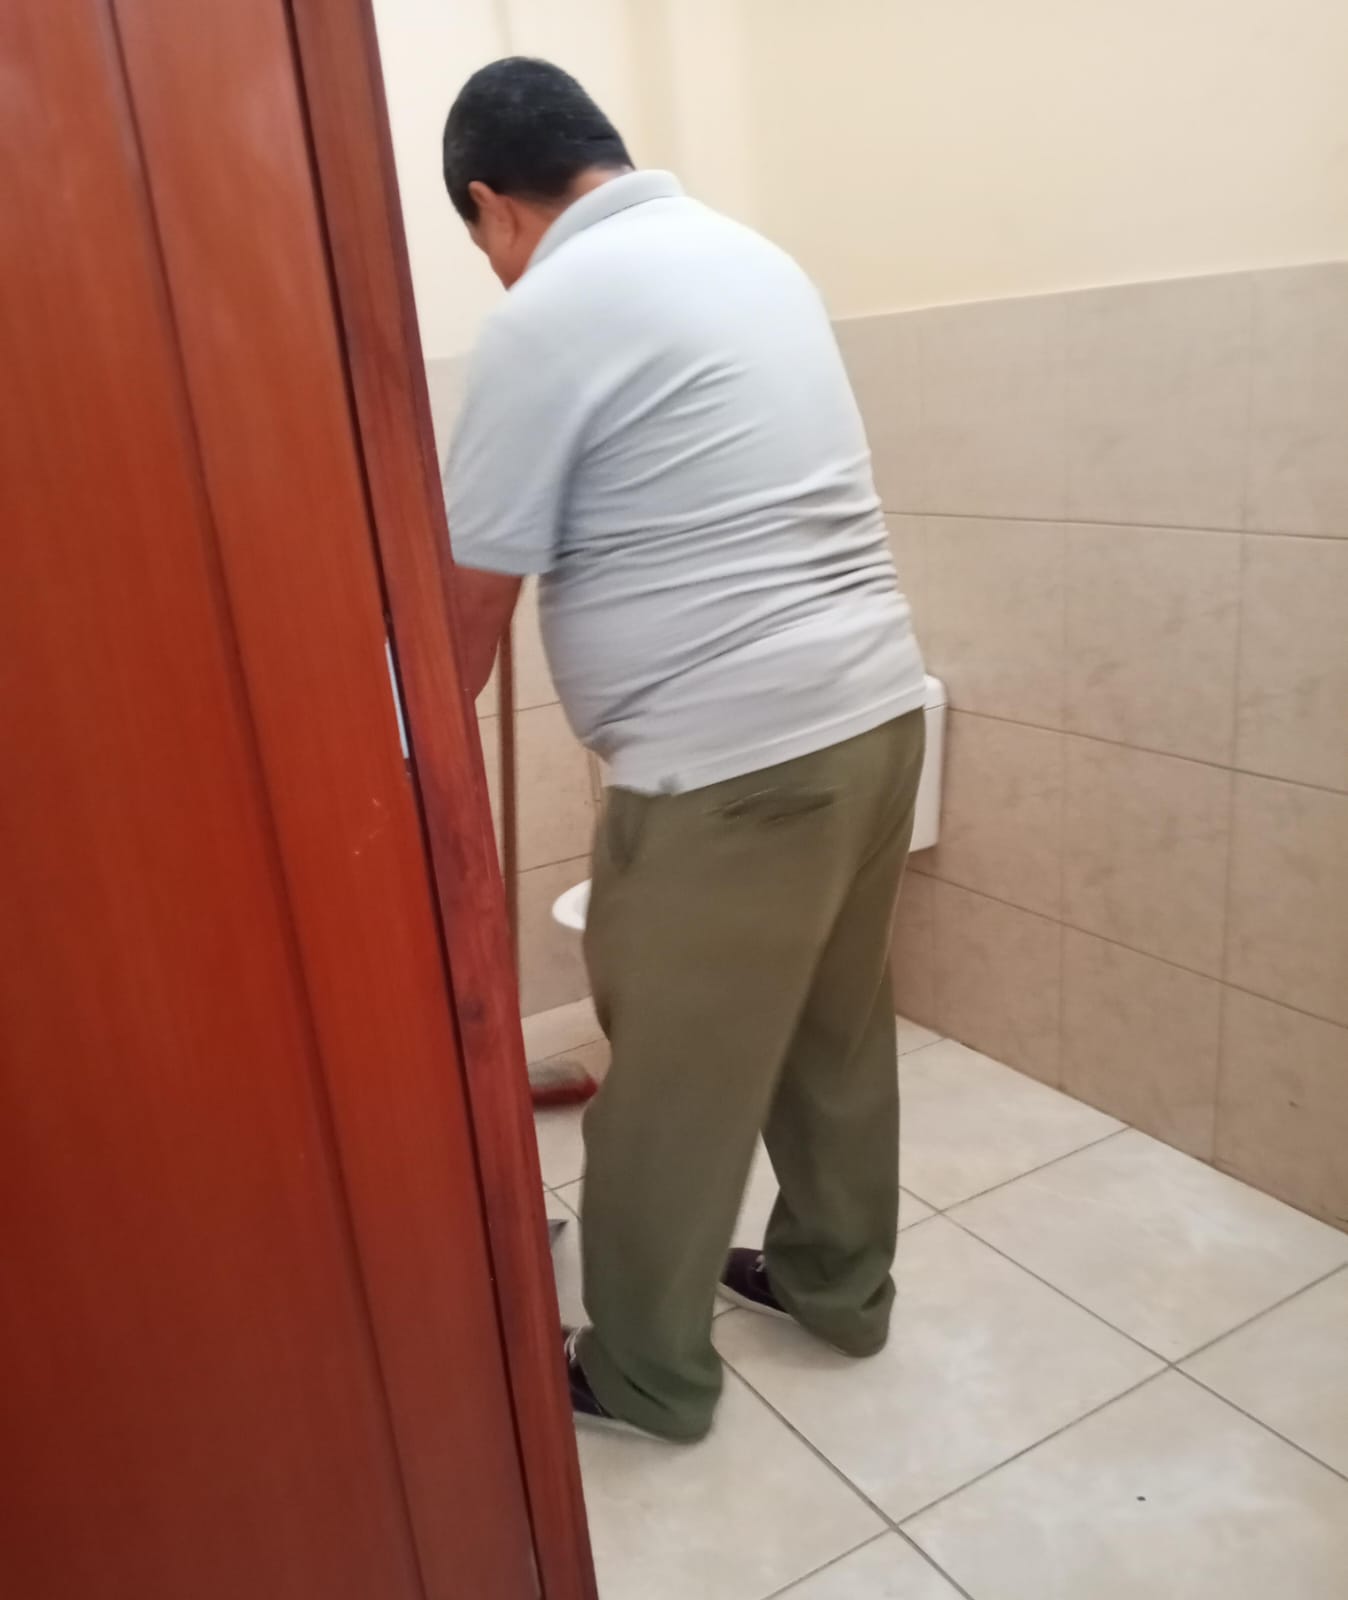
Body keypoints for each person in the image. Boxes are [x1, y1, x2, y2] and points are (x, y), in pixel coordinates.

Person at [442, 58, 926, 1443]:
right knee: (834, 1035)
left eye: (480, 240)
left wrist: (407, 772)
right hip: (874, 717)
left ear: (495, 204)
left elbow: (467, 602)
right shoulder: (750, 256)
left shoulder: (549, 313)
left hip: (730, 772)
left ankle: (645, 1373)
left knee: (667, 1088)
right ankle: (840, 1288)